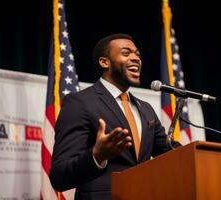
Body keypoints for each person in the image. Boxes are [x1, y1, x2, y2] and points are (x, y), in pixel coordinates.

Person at [49, 33, 180, 200]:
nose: (136, 58)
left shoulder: (145, 109)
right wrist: (97, 156)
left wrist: (201, 153)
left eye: (137, 54)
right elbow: (59, 176)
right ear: (105, 62)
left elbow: (171, 153)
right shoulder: (79, 103)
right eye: (126, 53)